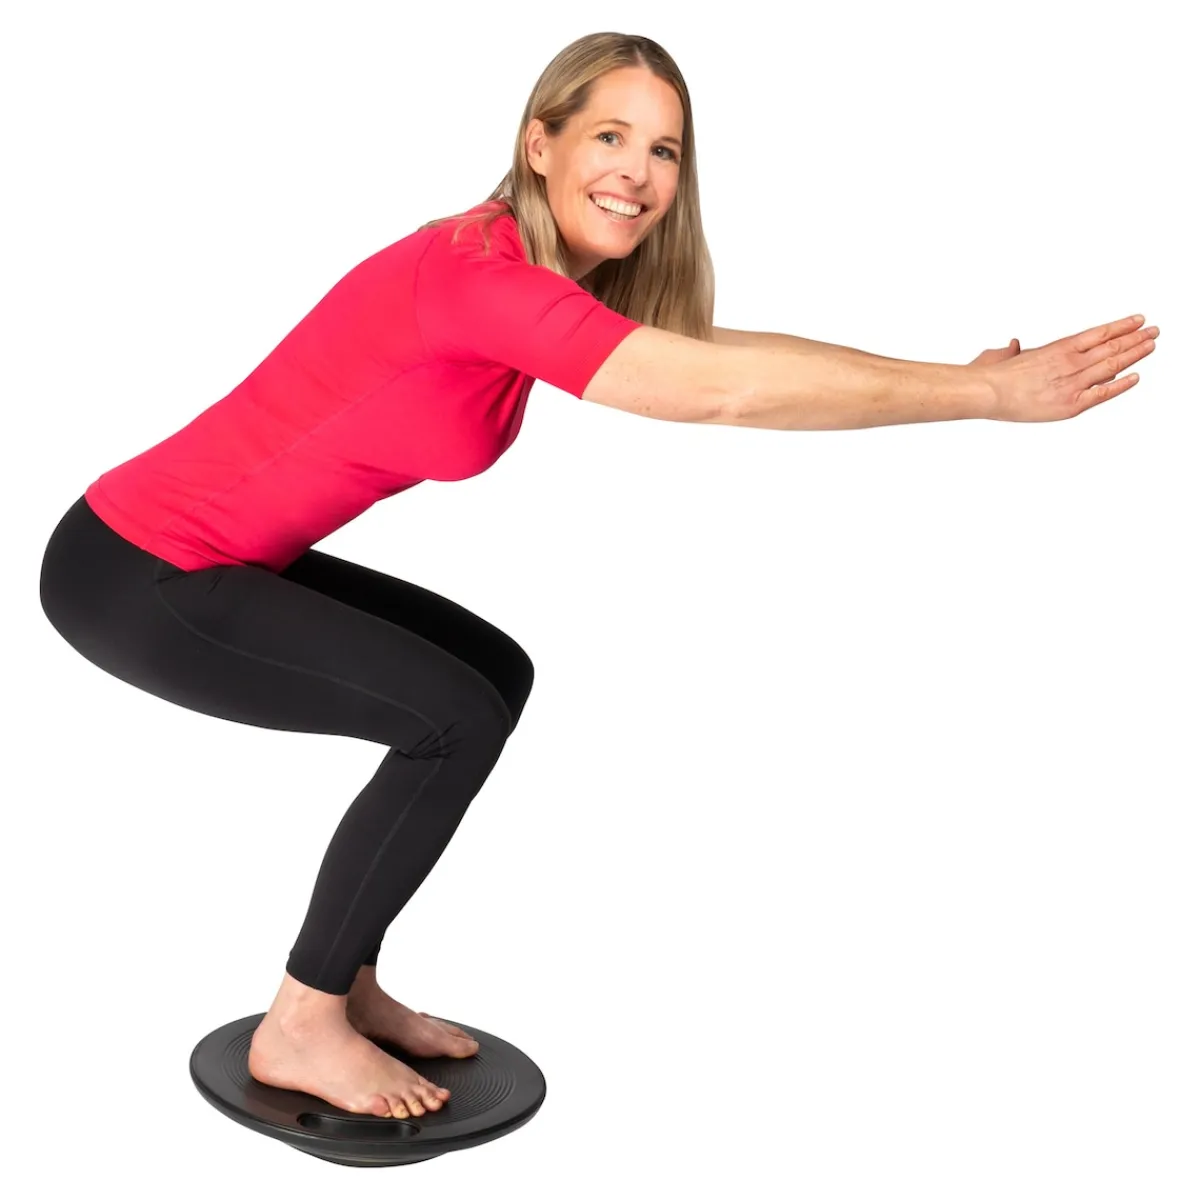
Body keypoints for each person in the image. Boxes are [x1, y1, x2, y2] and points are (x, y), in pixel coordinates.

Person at [37, 31, 1159, 1123]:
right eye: (610, 136)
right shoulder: (477, 279)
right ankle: (300, 1022)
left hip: (205, 556)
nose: (636, 172)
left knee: (490, 673)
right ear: (541, 144)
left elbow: (714, 353)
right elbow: (718, 394)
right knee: (450, 719)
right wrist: (982, 400)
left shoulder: (522, 271)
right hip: (138, 571)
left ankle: (351, 978)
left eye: (663, 149)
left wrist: (951, 375)